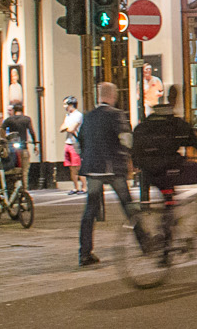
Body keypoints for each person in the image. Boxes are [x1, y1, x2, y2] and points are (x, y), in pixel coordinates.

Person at [131, 85, 197, 220]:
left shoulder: (145, 125)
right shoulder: (176, 124)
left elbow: (135, 149)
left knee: (168, 200)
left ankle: (166, 232)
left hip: (150, 173)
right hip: (171, 170)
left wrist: (139, 165)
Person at [77, 82, 137, 267]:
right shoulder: (116, 115)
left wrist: (86, 158)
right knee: (128, 205)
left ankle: (85, 253)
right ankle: (146, 242)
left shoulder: (88, 117)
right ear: (113, 96)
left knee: (90, 210)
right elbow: (126, 139)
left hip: (92, 169)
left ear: (99, 96)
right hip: (112, 167)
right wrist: (129, 156)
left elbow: (80, 142)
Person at [2, 103, 38, 184]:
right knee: (25, 170)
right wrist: (35, 144)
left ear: (14, 110)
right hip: (23, 147)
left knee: (13, 170)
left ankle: (14, 187)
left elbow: (1, 130)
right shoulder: (26, 119)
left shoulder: (9, 120)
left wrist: (5, 140)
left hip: (12, 148)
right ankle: (25, 188)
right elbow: (32, 132)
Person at [60, 97, 84, 195]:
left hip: (75, 143)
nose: (64, 106)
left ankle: (84, 187)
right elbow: (62, 128)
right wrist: (67, 127)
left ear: (71, 105)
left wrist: (67, 127)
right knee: (71, 167)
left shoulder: (78, 115)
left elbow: (71, 129)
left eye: (65, 104)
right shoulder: (68, 116)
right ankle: (75, 187)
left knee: (78, 166)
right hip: (68, 142)